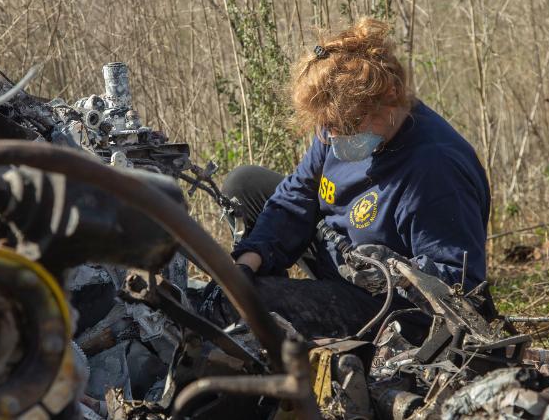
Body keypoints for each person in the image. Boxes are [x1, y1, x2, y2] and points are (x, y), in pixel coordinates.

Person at [200, 17, 491, 341]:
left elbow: (460, 284)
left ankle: (294, 316)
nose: (335, 137)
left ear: (390, 97)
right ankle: (279, 297)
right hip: (340, 254)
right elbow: (296, 195)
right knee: (246, 184)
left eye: (348, 126)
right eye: (328, 126)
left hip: (390, 307)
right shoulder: (337, 127)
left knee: (251, 304)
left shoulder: (434, 168)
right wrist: (246, 262)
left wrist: (395, 274)